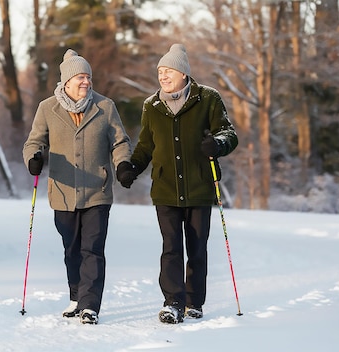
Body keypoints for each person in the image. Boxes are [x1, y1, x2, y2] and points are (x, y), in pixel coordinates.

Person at [127, 43, 238, 324]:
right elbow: (145, 145)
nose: (162, 76)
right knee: (171, 247)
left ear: (183, 73)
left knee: (197, 247)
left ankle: (194, 301)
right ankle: (173, 302)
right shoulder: (151, 106)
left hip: (200, 187)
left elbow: (228, 133)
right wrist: (133, 167)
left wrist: (217, 144)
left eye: (168, 71)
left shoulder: (208, 98)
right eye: (160, 72)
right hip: (165, 188)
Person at [22, 49, 135, 325]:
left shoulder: (105, 106)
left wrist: (122, 164)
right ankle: (76, 296)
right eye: (81, 77)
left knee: (93, 249)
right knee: (71, 249)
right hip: (63, 193)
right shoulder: (47, 108)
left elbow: (120, 141)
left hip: (98, 190)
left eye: (89, 77)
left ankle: (90, 305)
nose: (86, 82)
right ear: (67, 81)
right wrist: (34, 159)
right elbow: (33, 142)